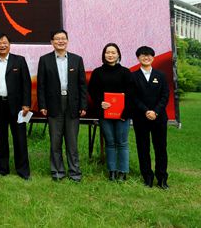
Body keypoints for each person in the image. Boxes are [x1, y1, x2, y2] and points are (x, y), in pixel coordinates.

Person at [37, 29, 87, 182]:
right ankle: (57, 172)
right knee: (55, 141)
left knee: (72, 142)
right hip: (53, 104)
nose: (60, 41)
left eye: (63, 38)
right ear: (52, 42)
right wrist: (42, 105)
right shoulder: (45, 60)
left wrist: (83, 105)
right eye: (57, 39)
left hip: (72, 104)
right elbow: (41, 85)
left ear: (67, 41)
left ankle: (74, 172)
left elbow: (82, 85)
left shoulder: (76, 59)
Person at [0, 33, 32, 180]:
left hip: (17, 107)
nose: (2, 45)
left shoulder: (19, 61)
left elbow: (26, 83)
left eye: (5, 42)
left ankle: (23, 170)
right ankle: (2, 169)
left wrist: (26, 104)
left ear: (9, 44)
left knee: (20, 138)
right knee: (0, 138)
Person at [87, 43, 135, 181]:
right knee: (110, 142)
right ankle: (112, 171)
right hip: (104, 113)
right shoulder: (97, 72)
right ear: (104, 54)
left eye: (113, 52)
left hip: (123, 114)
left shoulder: (126, 72)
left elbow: (131, 93)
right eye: (108, 52)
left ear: (118, 54)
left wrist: (125, 112)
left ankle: (123, 171)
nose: (110, 55)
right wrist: (100, 102)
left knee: (122, 142)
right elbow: (93, 91)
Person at [132, 46, 170, 189]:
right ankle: (147, 177)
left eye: (149, 55)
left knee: (161, 148)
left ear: (153, 58)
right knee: (143, 148)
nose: (146, 57)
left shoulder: (161, 75)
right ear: (138, 58)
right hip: (140, 118)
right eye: (143, 55)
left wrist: (156, 111)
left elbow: (165, 95)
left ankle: (162, 178)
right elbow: (133, 97)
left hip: (159, 118)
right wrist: (146, 111)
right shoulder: (133, 76)